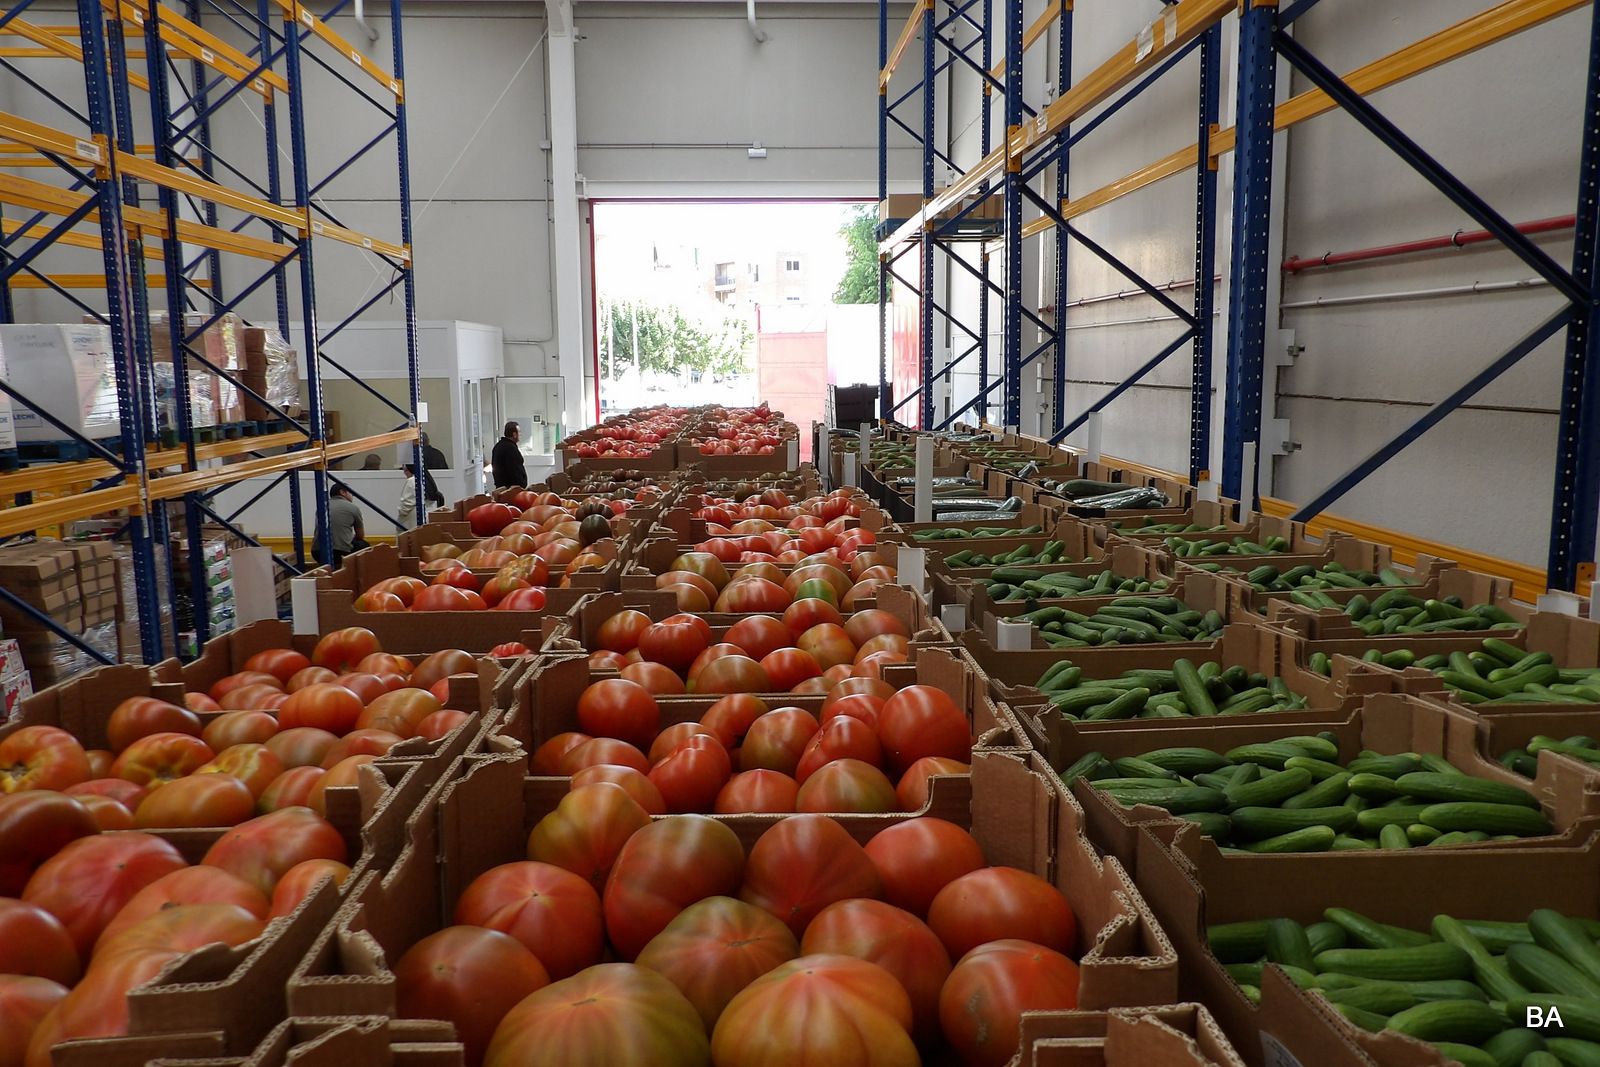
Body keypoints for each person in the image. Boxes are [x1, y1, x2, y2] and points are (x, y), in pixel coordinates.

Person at [317, 484, 367, 567]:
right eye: (351, 493)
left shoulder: (322, 506)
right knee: (364, 545)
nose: (352, 496)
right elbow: (360, 535)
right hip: (340, 552)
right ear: (342, 492)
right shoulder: (353, 508)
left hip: (318, 552)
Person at [397, 461, 445, 527]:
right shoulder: (427, 481)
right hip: (428, 522)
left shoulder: (412, 481)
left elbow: (406, 506)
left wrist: (401, 513)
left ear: (411, 469)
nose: (404, 473)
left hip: (413, 523)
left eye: (406, 470)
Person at [491, 420, 527, 489]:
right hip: (511, 490)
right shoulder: (510, 448)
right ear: (514, 434)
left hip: (501, 488)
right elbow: (514, 470)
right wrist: (521, 485)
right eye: (519, 432)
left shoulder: (498, 446)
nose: (520, 434)